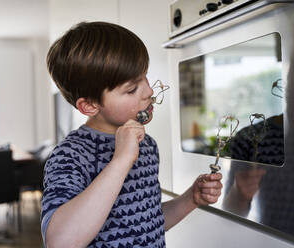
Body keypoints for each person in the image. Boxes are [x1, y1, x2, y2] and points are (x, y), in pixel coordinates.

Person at [41, 21, 223, 248]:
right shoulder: (70, 155)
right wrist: (121, 161)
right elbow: (60, 242)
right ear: (89, 106)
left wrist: (191, 199)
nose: (149, 91)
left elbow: (146, 224)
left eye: (145, 77)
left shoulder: (146, 145)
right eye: (131, 89)